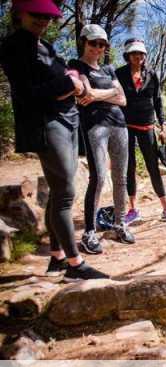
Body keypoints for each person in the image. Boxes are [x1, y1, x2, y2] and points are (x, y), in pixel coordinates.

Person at [0, 0, 108, 279]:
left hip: (68, 120)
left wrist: (73, 80)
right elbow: (27, 93)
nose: (43, 20)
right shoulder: (14, 46)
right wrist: (69, 85)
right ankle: (75, 264)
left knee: (59, 192)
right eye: (36, 15)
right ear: (19, 13)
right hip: (47, 124)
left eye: (47, 16)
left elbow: (63, 73)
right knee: (65, 193)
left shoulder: (42, 45)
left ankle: (57, 257)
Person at [69, 24, 135, 254]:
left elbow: (124, 100)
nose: (98, 47)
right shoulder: (76, 66)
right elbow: (85, 94)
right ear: (84, 42)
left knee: (121, 177)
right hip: (95, 126)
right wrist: (110, 93)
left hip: (119, 125)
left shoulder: (108, 70)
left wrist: (99, 94)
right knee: (97, 177)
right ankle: (89, 232)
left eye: (102, 44)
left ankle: (119, 224)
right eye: (93, 43)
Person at [115, 38, 166, 223]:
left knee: (153, 167)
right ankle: (133, 209)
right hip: (125, 127)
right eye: (135, 53)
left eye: (141, 53)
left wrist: (163, 125)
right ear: (128, 55)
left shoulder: (151, 75)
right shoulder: (119, 74)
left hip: (147, 127)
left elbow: (158, 101)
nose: (139, 57)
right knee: (130, 167)